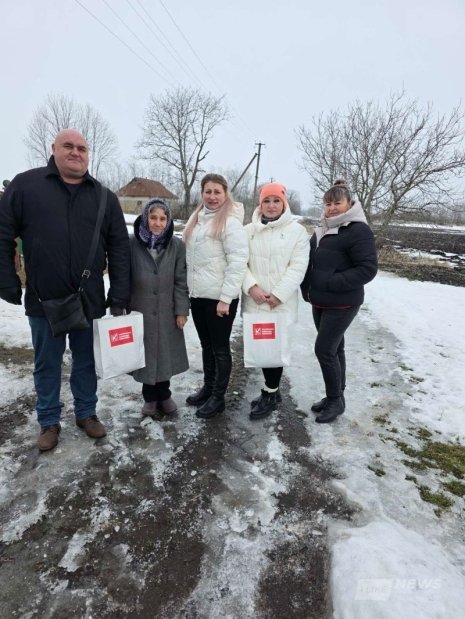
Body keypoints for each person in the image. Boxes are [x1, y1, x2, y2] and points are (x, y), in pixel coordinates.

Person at [0, 129, 130, 451]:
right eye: (68, 146)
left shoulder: (105, 197)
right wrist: (6, 280)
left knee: (86, 361)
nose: (75, 152)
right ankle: (48, 420)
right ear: (54, 149)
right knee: (47, 363)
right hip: (44, 298)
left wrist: (119, 293)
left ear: (88, 154)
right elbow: (2, 233)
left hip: (89, 299)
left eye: (82, 148)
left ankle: (86, 413)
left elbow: (119, 248)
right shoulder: (26, 187)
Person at [301, 179, 378, 423]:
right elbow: (310, 261)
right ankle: (336, 397)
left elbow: (367, 269)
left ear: (349, 204)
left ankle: (335, 401)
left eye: (337, 203)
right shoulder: (322, 228)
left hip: (343, 302)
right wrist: (307, 287)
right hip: (321, 301)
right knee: (336, 349)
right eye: (328, 204)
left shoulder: (358, 230)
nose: (332, 208)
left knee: (324, 350)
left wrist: (332, 281)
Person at [183, 173, 248, 419]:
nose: (212, 197)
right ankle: (208, 388)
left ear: (225, 194)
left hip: (220, 299)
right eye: (208, 192)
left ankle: (218, 398)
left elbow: (238, 262)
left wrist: (226, 298)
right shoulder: (197, 219)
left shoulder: (230, 223)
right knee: (206, 345)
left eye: (217, 192)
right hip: (198, 295)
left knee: (220, 349)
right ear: (202, 193)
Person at [242, 182, 309, 419]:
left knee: (275, 349)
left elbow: (298, 266)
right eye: (267, 201)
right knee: (262, 349)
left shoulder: (297, 232)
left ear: (284, 203)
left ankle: (270, 394)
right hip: (256, 301)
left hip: (281, 302)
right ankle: (273, 390)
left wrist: (279, 294)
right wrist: (252, 287)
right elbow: (239, 262)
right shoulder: (248, 231)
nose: (271, 206)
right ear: (260, 204)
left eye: (276, 201)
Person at [129, 198, 189, 416]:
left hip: (166, 310)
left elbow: (180, 280)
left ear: (168, 221)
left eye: (163, 219)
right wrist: (121, 307)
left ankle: (164, 395)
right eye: (153, 217)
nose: (157, 223)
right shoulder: (132, 243)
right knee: (145, 355)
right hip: (140, 308)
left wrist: (181, 310)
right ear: (145, 218)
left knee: (164, 353)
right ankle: (150, 398)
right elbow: (124, 277)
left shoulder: (176, 246)